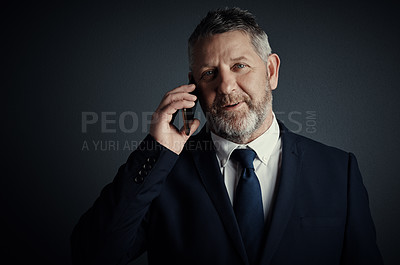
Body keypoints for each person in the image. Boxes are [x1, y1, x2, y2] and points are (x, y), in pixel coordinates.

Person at [71, 7, 384, 265]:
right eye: (210, 74)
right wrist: (155, 151)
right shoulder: (161, 172)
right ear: (193, 85)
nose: (226, 86)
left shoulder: (338, 170)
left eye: (240, 66)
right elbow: (92, 255)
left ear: (271, 71)